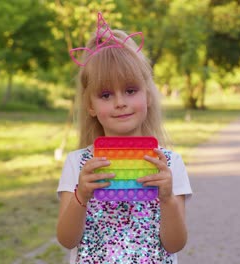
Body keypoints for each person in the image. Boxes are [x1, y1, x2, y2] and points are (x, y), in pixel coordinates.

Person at [56, 13, 192, 263]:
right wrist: (80, 196)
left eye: (130, 91)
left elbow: (175, 244)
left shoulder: (169, 164)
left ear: (148, 96)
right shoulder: (79, 164)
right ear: (90, 106)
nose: (120, 103)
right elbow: (67, 240)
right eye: (106, 95)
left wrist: (167, 199)